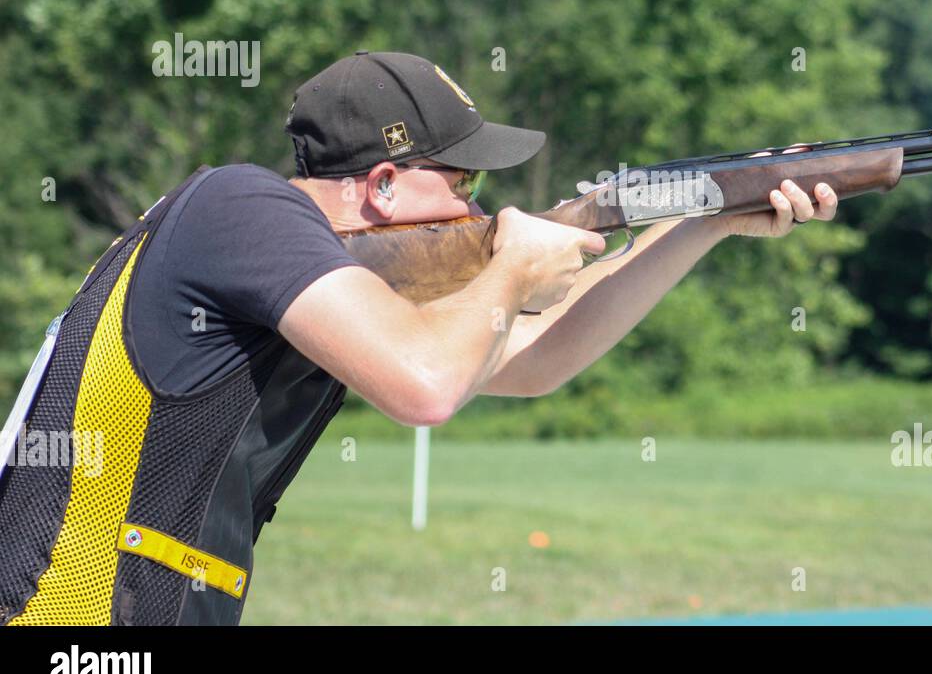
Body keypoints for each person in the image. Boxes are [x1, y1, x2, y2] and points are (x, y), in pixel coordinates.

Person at [0, 50, 837, 625]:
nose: (478, 212)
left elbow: (537, 359)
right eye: (463, 184)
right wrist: (509, 269)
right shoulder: (238, 205)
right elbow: (427, 387)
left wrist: (705, 223)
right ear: (385, 185)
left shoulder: (298, 269)